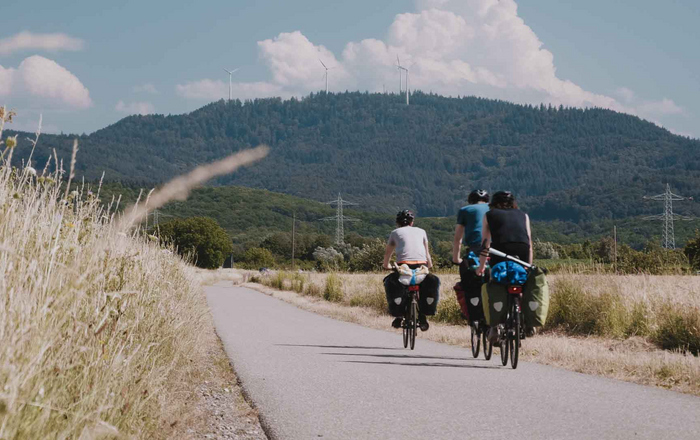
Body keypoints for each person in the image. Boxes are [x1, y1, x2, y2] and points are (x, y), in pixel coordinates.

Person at [476, 191, 533, 341]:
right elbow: (529, 243)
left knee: (494, 281)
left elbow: (485, 244)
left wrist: (481, 267)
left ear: (493, 204)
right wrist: (528, 266)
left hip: (500, 250)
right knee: (524, 281)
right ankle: (527, 320)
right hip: (522, 250)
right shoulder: (523, 215)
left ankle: (494, 327)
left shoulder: (489, 215)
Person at [382, 210, 440, 332]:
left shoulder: (395, 233)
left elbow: (388, 253)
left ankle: (399, 316)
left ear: (397, 223)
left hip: (404, 266)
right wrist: (429, 265)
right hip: (421, 265)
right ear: (412, 222)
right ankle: (423, 316)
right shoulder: (422, 231)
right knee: (427, 284)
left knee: (395, 284)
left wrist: (386, 265)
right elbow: (427, 253)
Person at [452, 189, 490, 277]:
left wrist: (456, 259)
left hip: (477, 247)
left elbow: (458, 238)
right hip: (497, 247)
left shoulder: (465, 210)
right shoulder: (494, 209)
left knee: (469, 277)